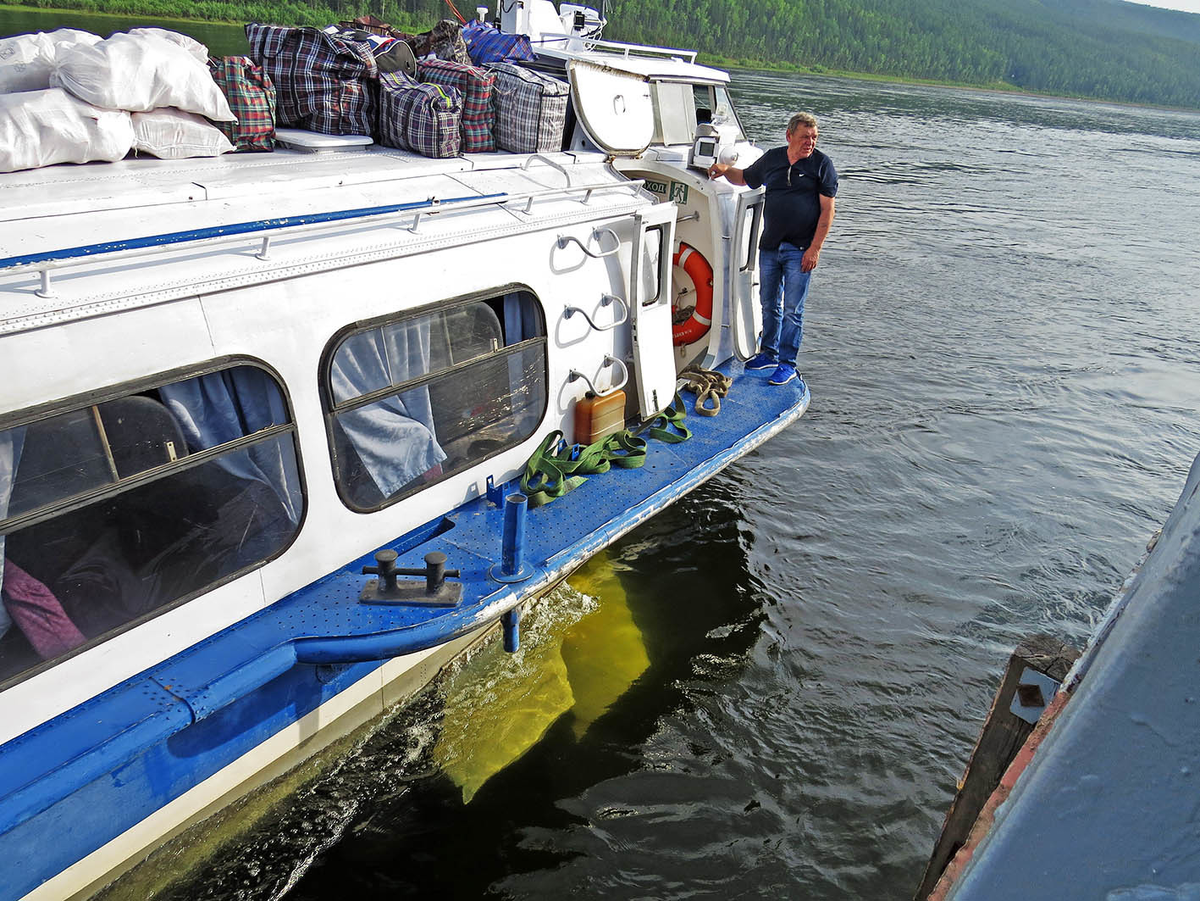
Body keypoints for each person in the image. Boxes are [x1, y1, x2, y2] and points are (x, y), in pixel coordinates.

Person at [708, 112, 837, 388]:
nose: (810, 143)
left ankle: (787, 364)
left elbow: (827, 212)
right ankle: (769, 353)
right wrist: (722, 170)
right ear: (789, 136)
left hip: (800, 249)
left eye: (814, 138)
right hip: (770, 246)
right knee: (768, 303)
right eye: (805, 137)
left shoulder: (822, 165)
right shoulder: (774, 159)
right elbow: (744, 179)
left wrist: (815, 249)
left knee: (793, 310)